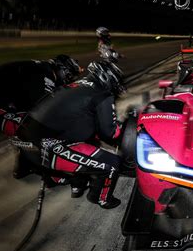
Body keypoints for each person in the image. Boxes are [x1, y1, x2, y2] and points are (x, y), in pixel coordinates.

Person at [17, 61, 126, 209]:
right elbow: (109, 133)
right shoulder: (102, 94)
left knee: (89, 138)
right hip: (45, 145)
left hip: (24, 139)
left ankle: (72, 181)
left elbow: (78, 121)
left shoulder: (77, 85)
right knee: (112, 164)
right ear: (109, 80)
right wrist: (122, 126)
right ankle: (101, 198)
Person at [0, 55, 82, 178]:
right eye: (69, 76)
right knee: (34, 127)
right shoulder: (45, 75)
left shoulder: (41, 69)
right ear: (61, 69)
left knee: (29, 122)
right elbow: (44, 107)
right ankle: (43, 171)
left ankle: (26, 166)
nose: (68, 81)